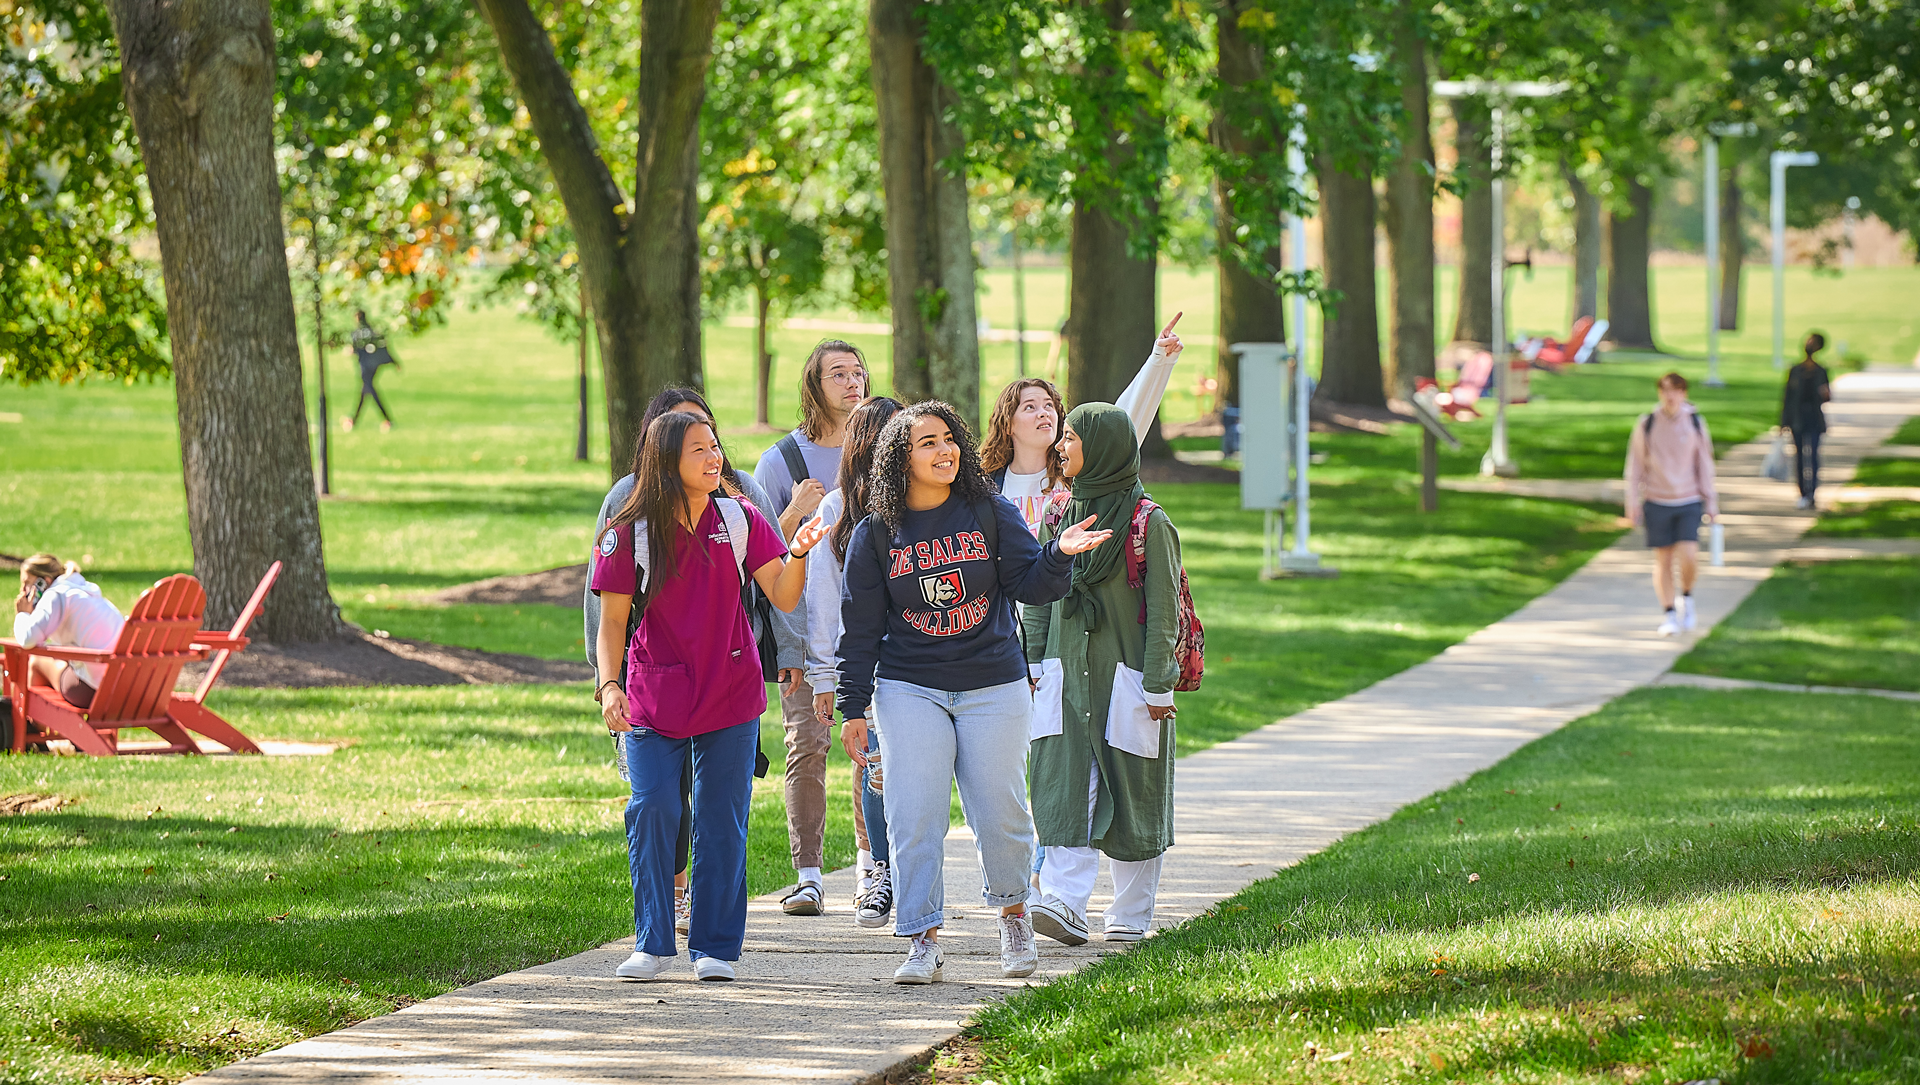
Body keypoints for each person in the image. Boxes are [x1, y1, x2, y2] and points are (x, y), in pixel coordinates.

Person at [836, 401, 1113, 984]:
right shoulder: (875, 534)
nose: (944, 451)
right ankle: (921, 937)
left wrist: (1058, 554)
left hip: (992, 682)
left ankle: (1013, 915)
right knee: (914, 816)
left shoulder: (987, 509)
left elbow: (1031, 586)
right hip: (911, 687)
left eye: (948, 439)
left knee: (1002, 813)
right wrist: (853, 707)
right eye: (926, 444)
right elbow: (859, 628)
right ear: (898, 460)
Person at [592, 410, 827, 983]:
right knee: (652, 809)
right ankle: (650, 942)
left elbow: (784, 597)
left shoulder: (741, 517)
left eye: (714, 446)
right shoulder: (629, 532)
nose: (713, 456)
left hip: (730, 690)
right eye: (698, 449)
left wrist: (798, 553)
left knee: (723, 819)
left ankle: (716, 947)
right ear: (666, 462)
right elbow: (612, 625)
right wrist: (608, 686)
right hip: (654, 692)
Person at [1022, 404, 1183, 946]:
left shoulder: (1148, 522)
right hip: (1065, 676)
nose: (1060, 446)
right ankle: (1064, 904)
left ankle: (1131, 914)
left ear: (1105, 447)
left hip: (1128, 681)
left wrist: (1158, 683)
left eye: (1070, 437)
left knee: (1132, 788)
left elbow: (1165, 612)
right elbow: (1041, 592)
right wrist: (1035, 662)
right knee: (1065, 784)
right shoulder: (1059, 510)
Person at [753, 339, 873, 916]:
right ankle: (808, 876)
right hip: (802, 632)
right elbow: (757, 553)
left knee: (870, 748)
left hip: (874, 631)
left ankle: (871, 867)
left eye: (859, 373)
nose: (853, 383)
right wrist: (797, 510)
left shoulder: (886, 452)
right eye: (838, 375)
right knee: (808, 745)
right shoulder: (782, 463)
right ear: (813, 386)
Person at [804, 396, 905, 929]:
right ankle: (879, 873)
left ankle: (903, 872)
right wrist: (827, 675)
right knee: (875, 770)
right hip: (864, 661)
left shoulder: (925, 506)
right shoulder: (837, 509)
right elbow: (822, 599)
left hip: (922, 657)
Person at [983, 314, 1187, 536]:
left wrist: (1160, 361)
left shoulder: (1077, 472)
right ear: (1007, 426)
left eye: (1049, 405)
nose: (1043, 413)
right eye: (1030, 407)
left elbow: (1122, 425)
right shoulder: (989, 486)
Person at [1624, 372, 1719, 637]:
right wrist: (1632, 502)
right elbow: (1635, 466)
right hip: (1657, 500)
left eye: (1675, 390)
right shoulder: (1647, 424)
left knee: (1688, 555)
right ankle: (1668, 613)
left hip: (1689, 499)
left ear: (1684, 393)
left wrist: (1711, 502)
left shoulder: (1696, 423)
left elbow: (1705, 465)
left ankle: (1686, 598)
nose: (1670, 395)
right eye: (1665, 390)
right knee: (1663, 560)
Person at [12, 555, 125, 710]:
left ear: (43, 582)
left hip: (93, 690)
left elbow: (28, 640)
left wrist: (22, 614)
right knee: (60, 659)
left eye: (26, 583)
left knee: (36, 660)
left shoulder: (56, 595)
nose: (22, 591)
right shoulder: (84, 591)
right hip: (124, 687)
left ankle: (32, 725)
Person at [1781, 332, 1833, 510]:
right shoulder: (1795, 370)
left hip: (1814, 419)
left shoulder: (1821, 371)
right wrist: (1783, 422)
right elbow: (1787, 398)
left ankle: (1812, 493)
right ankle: (1803, 493)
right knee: (1800, 458)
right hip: (1797, 419)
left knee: (1814, 457)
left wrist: (1826, 394)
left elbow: (1826, 396)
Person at [345, 310, 397, 432]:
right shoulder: (372, 331)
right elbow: (383, 347)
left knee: (370, 390)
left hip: (364, 366)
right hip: (374, 366)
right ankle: (354, 419)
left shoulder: (357, 333)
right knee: (365, 391)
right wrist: (394, 362)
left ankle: (387, 419)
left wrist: (352, 350)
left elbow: (357, 348)